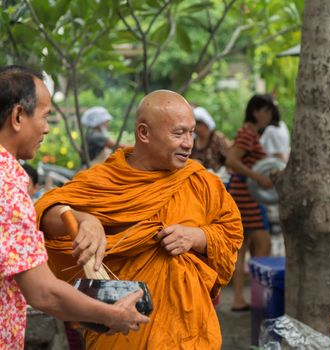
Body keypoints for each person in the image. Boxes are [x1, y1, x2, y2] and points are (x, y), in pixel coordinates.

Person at [35, 90, 243, 349]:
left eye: (191, 132)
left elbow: (230, 232)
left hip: (190, 332)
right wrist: (82, 218)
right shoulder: (106, 180)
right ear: (144, 133)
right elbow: (43, 216)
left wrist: (198, 237)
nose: (189, 143)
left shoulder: (202, 182)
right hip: (123, 334)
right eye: (178, 133)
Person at [0, 65, 149, 349]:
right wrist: (112, 314)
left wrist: (86, 218)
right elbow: (43, 292)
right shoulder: (6, 183)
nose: (46, 128)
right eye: (45, 117)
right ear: (18, 116)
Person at [226, 93, 278, 311]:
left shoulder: (249, 133)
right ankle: (256, 298)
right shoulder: (248, 133)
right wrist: (257, 177)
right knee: (262, 244)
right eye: (265, 111)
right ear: (256, 112)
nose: (267, 116)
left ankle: (241, 298)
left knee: (243, 248)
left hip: (244, 196)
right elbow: (231, 161)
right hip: (246, 197)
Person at [190, 105, 230, 171]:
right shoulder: (193, 141)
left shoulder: (218, 138)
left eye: (198, 123)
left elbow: (229, 159)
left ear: (205, 123)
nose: (195, 127)